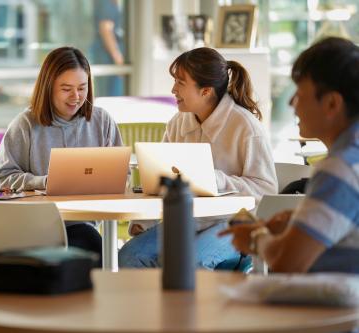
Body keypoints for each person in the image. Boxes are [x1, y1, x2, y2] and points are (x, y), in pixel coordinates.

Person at [119, 47, 277, 269]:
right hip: (186, 221)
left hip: (235, 224)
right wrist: (143, 222)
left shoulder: (246, 127)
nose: (173, 89)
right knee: (128, 255)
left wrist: (215, 180)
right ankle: (157, 305)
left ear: (206, 91)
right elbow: (160, 179)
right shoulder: (177, 123)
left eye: (180, 82)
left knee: (190, 263)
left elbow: (266, 190)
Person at [219, 37, 359, 273]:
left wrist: (255, 238)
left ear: (332, 104)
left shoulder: (340, 167)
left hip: (338, 307)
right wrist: (297, 220)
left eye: (300, 93)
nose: (292, 104)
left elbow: (287, 263)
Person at [0, 47, 123, 265]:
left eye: (82, 87)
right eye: (66, 89)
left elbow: (121, 175)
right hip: (35, 229)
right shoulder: (26, 125)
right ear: (49, 88)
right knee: (95, 252)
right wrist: (44, 182)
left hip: (84, 225)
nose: (76, 97)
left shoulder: (102, 121)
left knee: (102, 251)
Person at [90, 0, 124, 96]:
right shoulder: (106, 3)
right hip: (106, 56)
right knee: (109, 95)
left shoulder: (114, 4)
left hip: (109, 55)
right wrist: (118, 59)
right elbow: (106, 29)